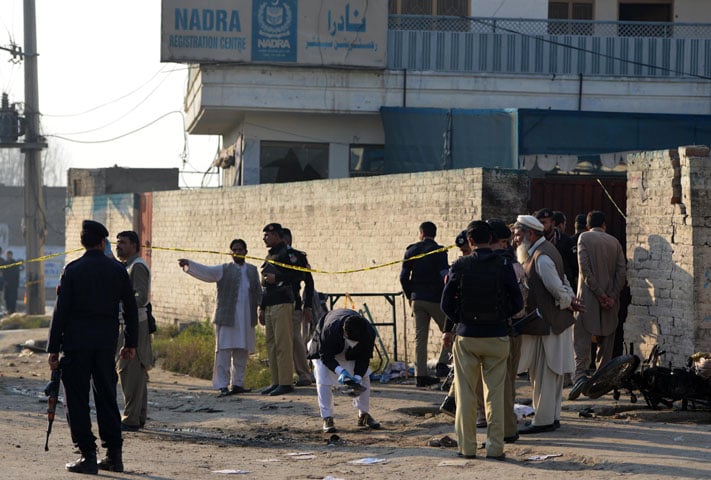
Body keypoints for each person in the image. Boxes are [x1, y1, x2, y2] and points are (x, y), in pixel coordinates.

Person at [46, 220, 138, 474]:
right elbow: (131, 309)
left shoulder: (73, 270)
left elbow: (60, 312)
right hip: (106, 345)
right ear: (102, 242)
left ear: (83, 243)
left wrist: (53, 349)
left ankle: (87, 455)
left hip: (75, 345)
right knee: (107, 398)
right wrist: (130, 342)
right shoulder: (118, 270)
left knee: (76, 401)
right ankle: (114, 456)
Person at [441, 220, 523, 460]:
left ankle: (466, 448)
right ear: (491, 240)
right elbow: (517, 302)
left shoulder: (460, 264)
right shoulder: (504, 264)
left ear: (470, 242)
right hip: (497, 336)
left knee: (466, 395)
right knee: (495, 394)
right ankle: (495, 448)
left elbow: (446, 303)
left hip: (467, 336)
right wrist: (499, 316)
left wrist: (462, 319)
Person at [513, 215, 584, 434]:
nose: (515, 240)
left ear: (530, 234)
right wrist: (570, 300)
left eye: (518, 234)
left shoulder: (541, 257)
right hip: (549, 323)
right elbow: (564, 284)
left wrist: (568, 302)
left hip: (547, 325)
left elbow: (557, 287)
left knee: (544, 374)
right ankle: (551, 417)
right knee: (548, 374)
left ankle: (543, 421)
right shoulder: (542, 251)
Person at [179, 239, 262, 397]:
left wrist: (262, 308)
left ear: (246, 252)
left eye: (240, 249)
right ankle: (222, 385)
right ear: (230, 252)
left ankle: (238, 384)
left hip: (246, 319)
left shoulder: (252, 270)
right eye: (234, 250)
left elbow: (258, 291)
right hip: (227, 318)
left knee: (241, 352)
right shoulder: (224, 269)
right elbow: (207, 271)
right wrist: (189, 265)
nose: (237, 252)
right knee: (223, 352)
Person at [569, 211, 626, 400]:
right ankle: (602, 380)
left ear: (587, 226)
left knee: (581, 341)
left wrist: (600, 295)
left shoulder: (584, 238)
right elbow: (621, 272)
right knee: (607, 341)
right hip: (611, 301)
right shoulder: (615, 242)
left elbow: (584, 270)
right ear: (604, 225)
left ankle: (579, 377)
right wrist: (611, 296)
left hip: (588, 299)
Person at [307, 308, 381, 433]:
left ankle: (363, 414)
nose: (354, 343)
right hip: (326, 351)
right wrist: (340, 371)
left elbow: (364, 358)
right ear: (344, 332)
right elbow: (325, 356)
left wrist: (357, 377)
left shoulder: (368, 332)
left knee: (365, 377)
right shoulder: (330, 330)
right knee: (323, 378)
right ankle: (327, 417)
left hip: (351, 355)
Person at [400, 221, 450, 387]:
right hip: (435, 299)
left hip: (417, 300)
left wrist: (410, 295)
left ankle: (420, 376)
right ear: (434, 234)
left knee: (420, 338)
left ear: (421, 233)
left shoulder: (411, 250)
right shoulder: (440, 251)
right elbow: (445, 276)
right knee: (452, 329)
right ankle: (442, 364)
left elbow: (403, 277)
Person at [114, 231, 152, 433]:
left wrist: (117, 303)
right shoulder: (127, 265)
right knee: (133, 371)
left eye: (123, 243)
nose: (118, 245)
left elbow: (140, 296)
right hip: (128, 322)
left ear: (135, 245)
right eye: (117, 242)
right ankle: (138, 416)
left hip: (135, 323)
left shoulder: (137, 266)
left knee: (129, 369)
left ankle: (130, 419)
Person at [259, 223, 300, 396]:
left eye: (268, 235)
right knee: (272, 345)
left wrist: (278, 277)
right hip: (270, 303)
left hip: (283, 302)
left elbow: (299, 275)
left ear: (277, 236)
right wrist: (262, 307)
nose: (264, 238)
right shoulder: (270, 255)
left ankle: (286, 382)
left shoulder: (288, 254)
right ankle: (275, 381)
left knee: (283, 344)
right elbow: (266, 285)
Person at [282, 227, 316, 387]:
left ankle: (304, 373)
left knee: (295, 338)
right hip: (276, 304)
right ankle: (286, 376)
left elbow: (309, 282)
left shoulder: (297, 257)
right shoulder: (274, 256)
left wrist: (308, 306)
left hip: (292, 303)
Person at [535, 208, 577, 295]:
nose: (541, 227)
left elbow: (574, 266)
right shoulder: (535, 241)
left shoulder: (566, 240)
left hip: (564, 288)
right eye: (538, 223)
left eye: (544, 223)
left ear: (553, 223)